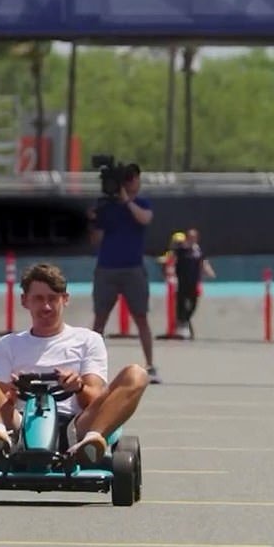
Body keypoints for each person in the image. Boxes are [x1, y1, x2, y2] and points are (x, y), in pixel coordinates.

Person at [0, 261, 148, 466]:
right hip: (19, 422)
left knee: (136, 373)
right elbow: (0, 398)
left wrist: (78, 386)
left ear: (64, 299)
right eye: (38, 299)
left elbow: (94, 398)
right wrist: (13, 391)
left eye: (52, 299)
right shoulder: (9, 344)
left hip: (74, 425)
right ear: (25, 300)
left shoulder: (88, 340)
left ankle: (93, 441)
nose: (46, 307)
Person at [89, 162, 159, 383]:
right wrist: (93, 221)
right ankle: (91, 367)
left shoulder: (141, 203)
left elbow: (145, 218)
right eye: (128, 179)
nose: (132, 183)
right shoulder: (107, 207)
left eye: (133, 179)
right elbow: (96, 240)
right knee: (100, 319)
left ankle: (150, 364)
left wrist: (126, 201)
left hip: (132, 269)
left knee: (141, 317)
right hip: (107, 268)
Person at [173, 228, 216, 338]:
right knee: (181, 305)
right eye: (190, 237)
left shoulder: (198, 250)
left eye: (194, 237)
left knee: (193, 304)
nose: (192, 239)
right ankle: (182, 327)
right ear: (187, 237)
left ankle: (186, 323)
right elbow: (173, 260)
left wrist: (209, 271)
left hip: (194, 282)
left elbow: (203, 262)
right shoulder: (181, 249)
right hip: (182, 282)